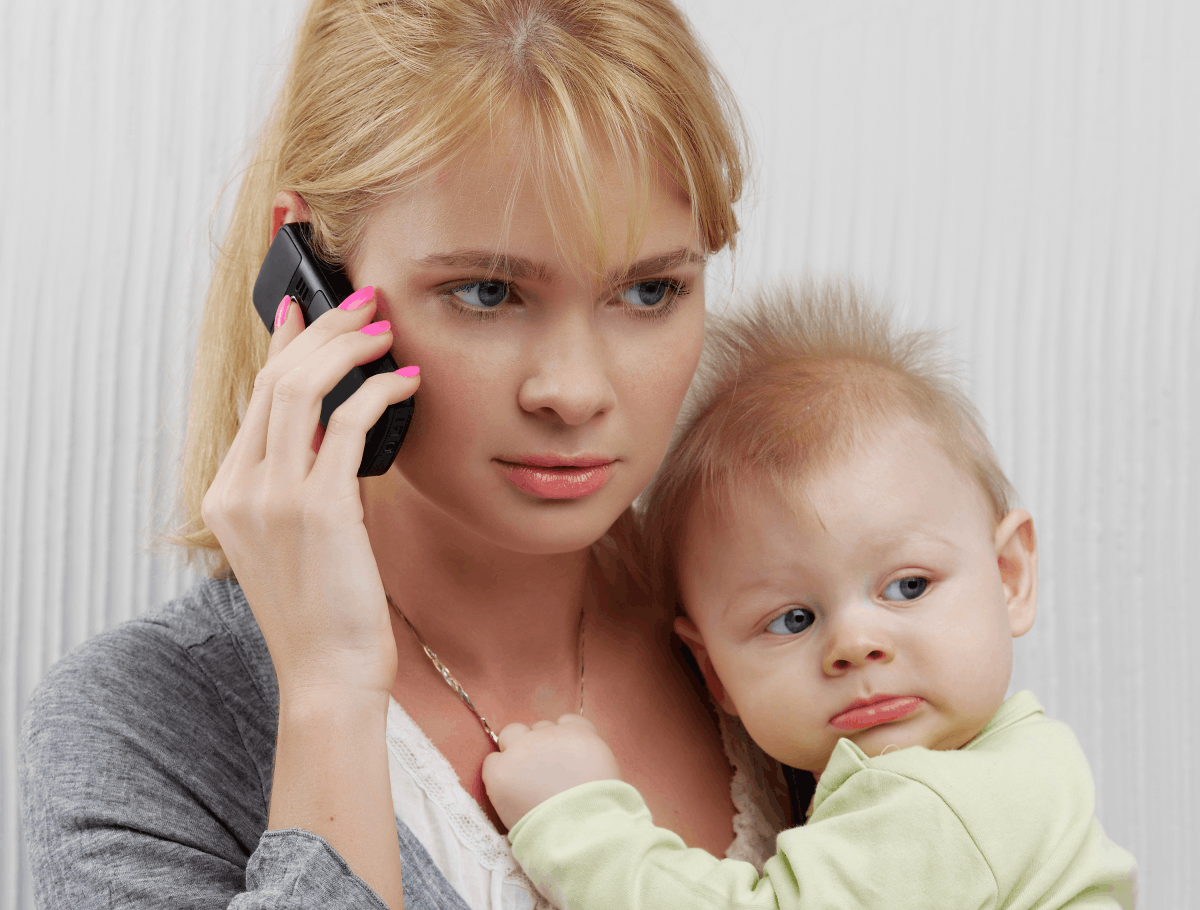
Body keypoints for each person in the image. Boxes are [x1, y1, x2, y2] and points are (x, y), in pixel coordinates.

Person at [18, 2, 793, 909]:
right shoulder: (139, 726)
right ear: (311, 272)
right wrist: (330, 695)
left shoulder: (801, 608)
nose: (576, 390)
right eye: (487, 292)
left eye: (651, 290)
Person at [482, 282, 1139, 909]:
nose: (855, 644)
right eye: (793, 619)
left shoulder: (944, 806)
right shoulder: (1013, 768)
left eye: (907, 586)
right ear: (713, 672)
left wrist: (579, 824)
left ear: (1009, 575)